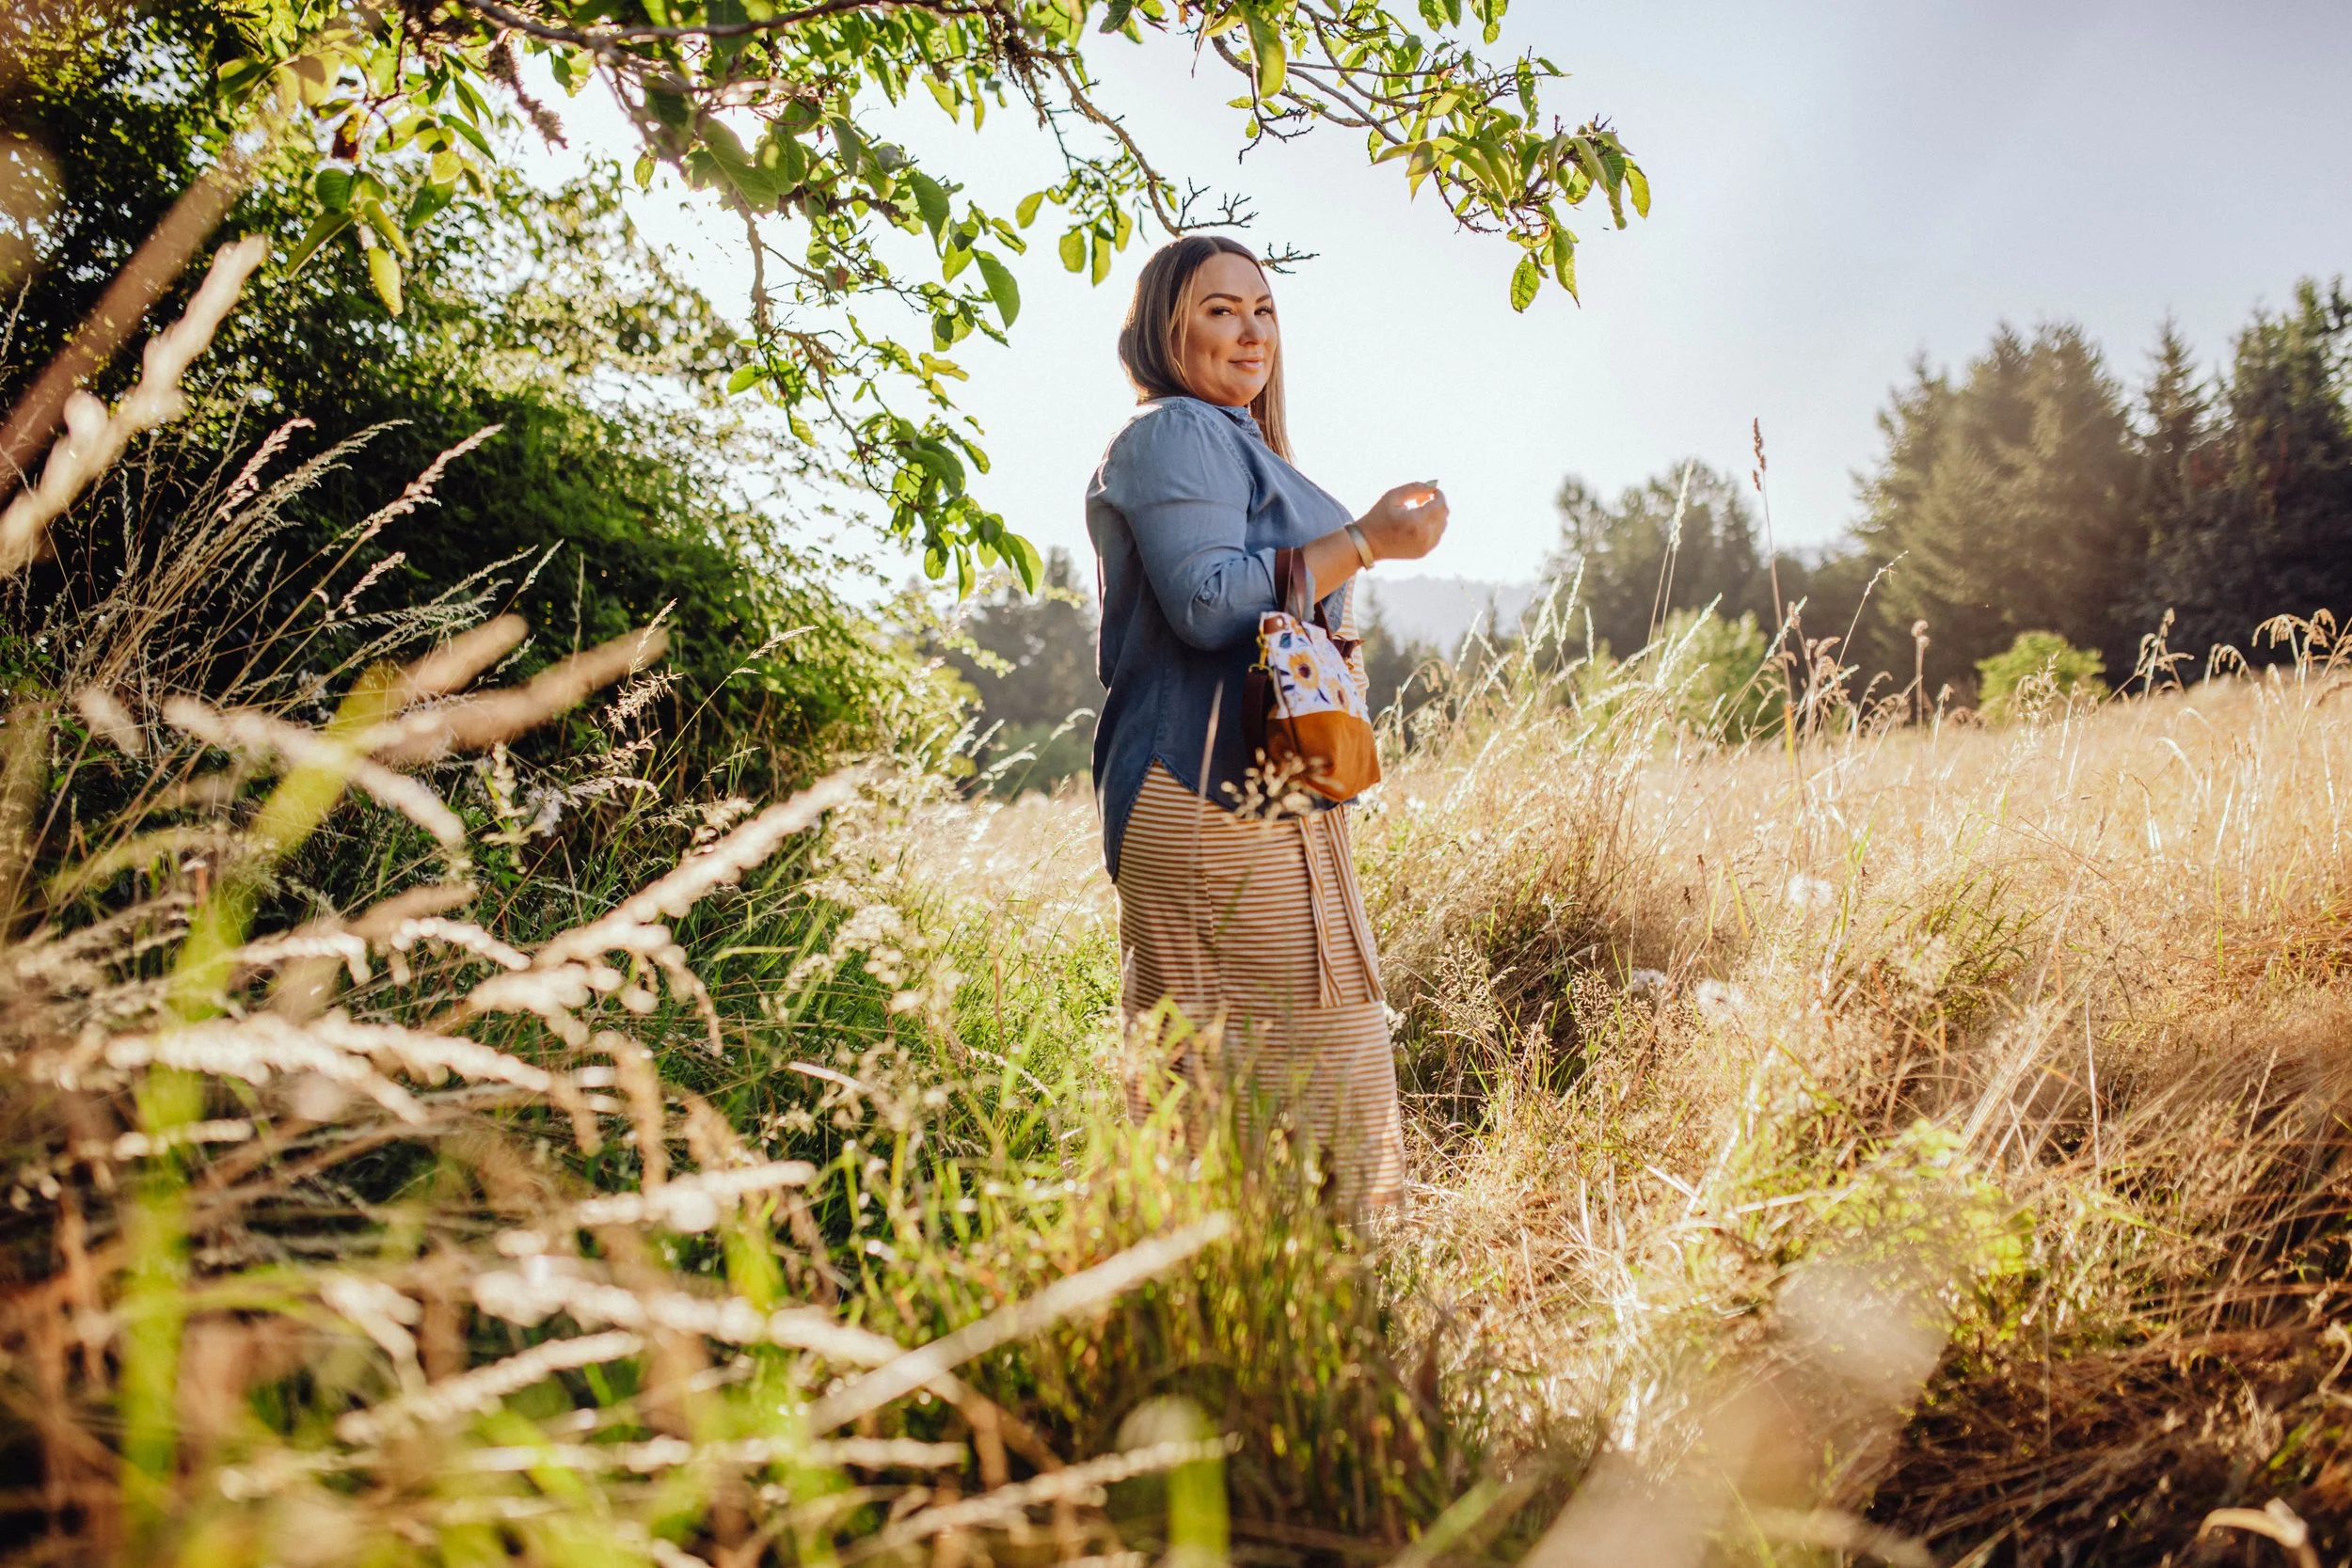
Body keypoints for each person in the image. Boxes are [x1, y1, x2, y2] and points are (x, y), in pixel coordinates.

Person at [1085, 234, 1449, 1215]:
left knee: (1303, 1082)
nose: (1250, 330)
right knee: (1271, 1094)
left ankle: (1289, 1327)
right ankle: (1267, 1328)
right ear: (1165, 327)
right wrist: (1364, 541)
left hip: (1263, 796)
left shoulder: (1232, 437)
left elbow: (1260, 602)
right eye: (1218, 308)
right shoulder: (1170, 434)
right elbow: (1208, 602)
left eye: (1264, 308)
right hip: (1205, 798)